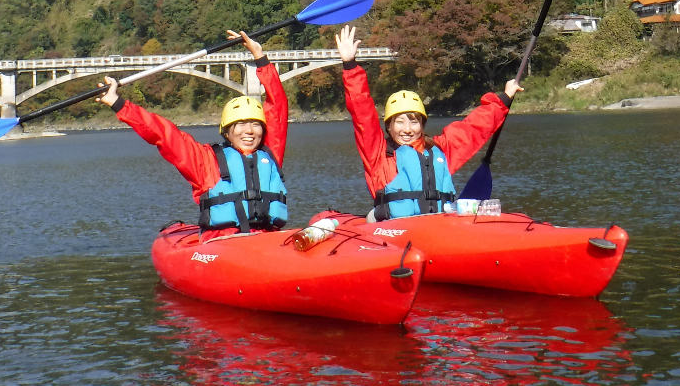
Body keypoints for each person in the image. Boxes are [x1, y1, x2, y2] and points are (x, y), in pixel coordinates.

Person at [99, 30, 288, 235]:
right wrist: (118, 104)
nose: (249, 131)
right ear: (226, 132)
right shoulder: (206, 161)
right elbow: (163, 134)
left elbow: (278, 106)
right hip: (223, 242)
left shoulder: (270, 154)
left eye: (255, 124)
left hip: (268, 239)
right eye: (240, 125)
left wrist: (260, 57)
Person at [334, 24, 522, 221]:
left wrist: (505, 98)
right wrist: (350, 65)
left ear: (422, 125)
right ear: (388, 126)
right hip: (394, 232)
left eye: (414, 122)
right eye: (399, 122)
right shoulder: (378, 154)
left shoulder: (440, 150)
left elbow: (474, 128)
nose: (407, 129)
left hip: (436, 230)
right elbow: (362, 112)